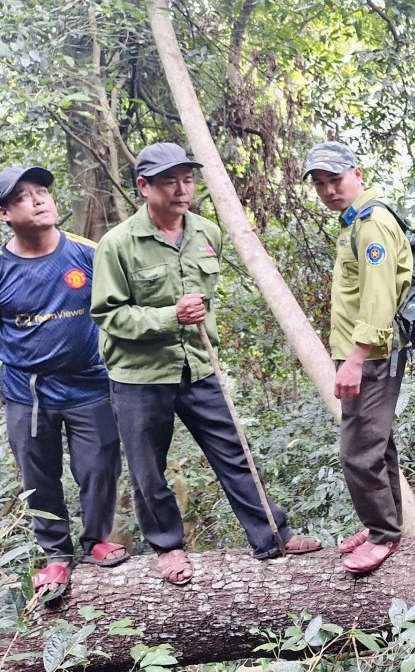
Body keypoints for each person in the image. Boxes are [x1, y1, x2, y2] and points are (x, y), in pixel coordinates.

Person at [91, 143, 320, 585]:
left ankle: (272, 536)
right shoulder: (117, 244)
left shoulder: (206, 233)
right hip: (139, 378)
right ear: (144, 186)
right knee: (147, 470)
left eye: (187, 179)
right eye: (169, 181)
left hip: (198, 367)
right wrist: (168, 316)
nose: (182, 189)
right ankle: (168, 547)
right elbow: (108, 315)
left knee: (235, 454)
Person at [0, 166, 127, 606]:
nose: (38, 200)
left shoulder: (91, 253)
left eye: (42, 191)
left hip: (90, 382)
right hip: (27, 391)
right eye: (23, 197)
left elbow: (116, 309)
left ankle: (96, 539)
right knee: (39, 475)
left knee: (99, 468)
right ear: (4, 213)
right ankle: (56, 554)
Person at [304, 142, 412, 573]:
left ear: (358, 173)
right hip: (360, 350)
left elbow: (379, 294)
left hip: (370, 353)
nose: (329, 190)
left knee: (359, 450)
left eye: (336, 180)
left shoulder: (371, 224)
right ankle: (383, 524)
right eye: (320, 184)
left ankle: (384, 535)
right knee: (377, 441)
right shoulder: (354, 223)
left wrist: (355, 358)